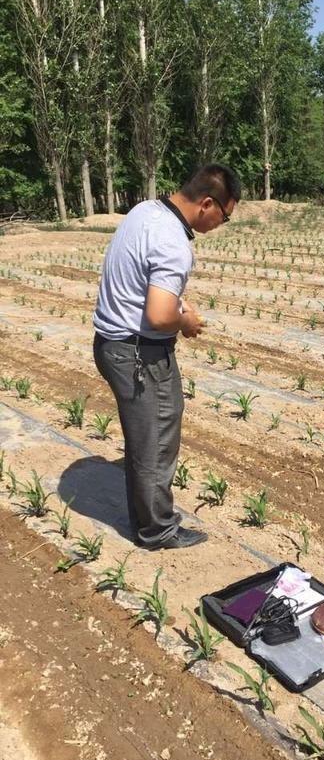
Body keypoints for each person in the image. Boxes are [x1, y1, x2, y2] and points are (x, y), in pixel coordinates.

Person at [93, 163, 241, 549]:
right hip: (138, 353)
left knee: (147, 435)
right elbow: (159, 316)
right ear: (207, 204)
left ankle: (149, 516)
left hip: (111, 343)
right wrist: (184, 322)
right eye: (224, 217)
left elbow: (149, 283)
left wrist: (179, 305)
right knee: (155, 440)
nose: (220, 225)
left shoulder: (146, 211)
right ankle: (156, 530)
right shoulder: (174, 243)